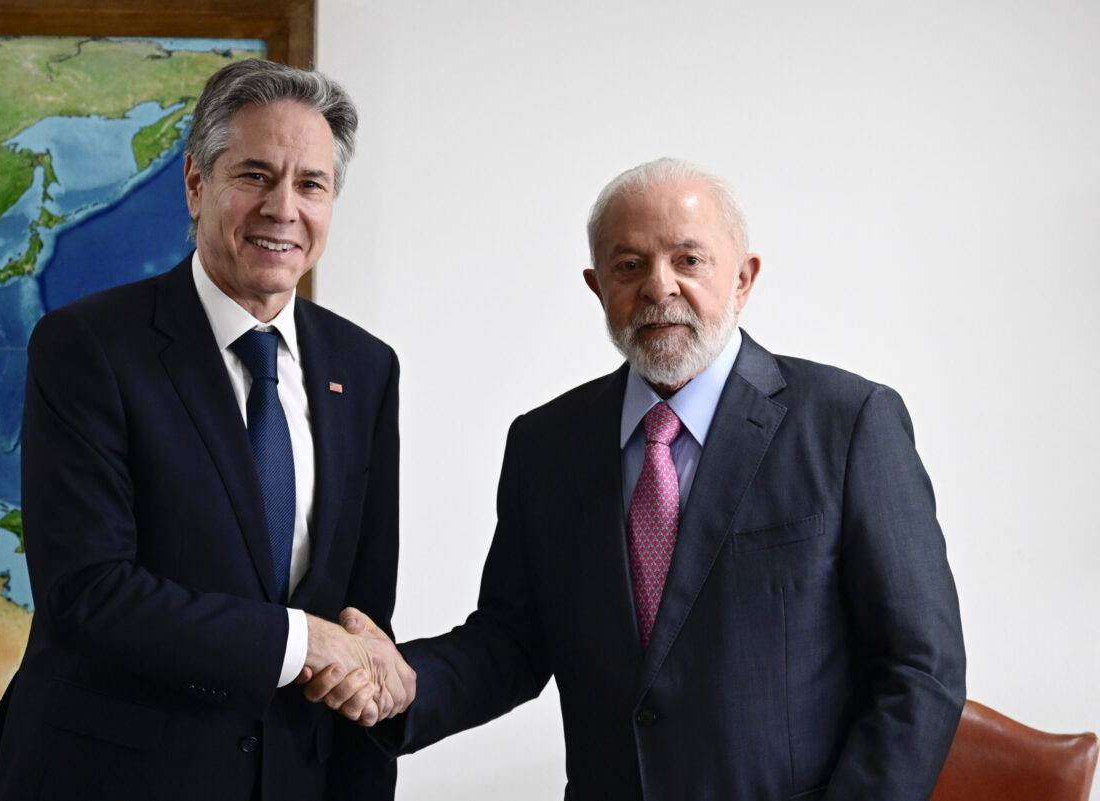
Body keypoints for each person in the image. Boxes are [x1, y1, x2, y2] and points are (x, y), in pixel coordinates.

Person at [307, 159, 967, 801]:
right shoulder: (546, 444)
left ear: (743, 278)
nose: (659, 287)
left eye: (689, 259)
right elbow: (510, 643)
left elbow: (920, 668)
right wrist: (401, 680)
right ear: (598, 287)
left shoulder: (848, 423)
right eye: (630, 265)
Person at [0, 59, 414, 801]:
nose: (283, 207)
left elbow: (363, 616)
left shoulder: (365, 369)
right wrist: (302, 640)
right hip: (105, 779)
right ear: (195, 183)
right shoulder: (88, 347)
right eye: (254, 174)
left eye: (311, 183)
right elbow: (89, 592)